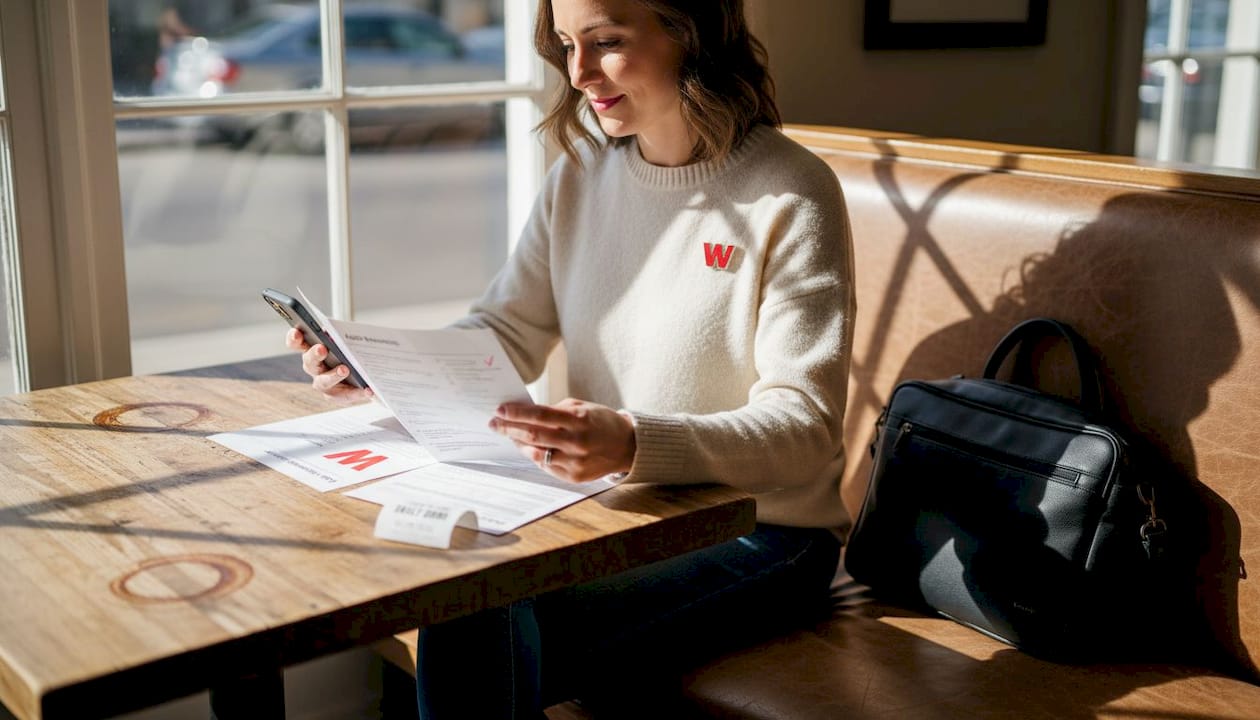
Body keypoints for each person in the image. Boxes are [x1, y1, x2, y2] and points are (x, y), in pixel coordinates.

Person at [288, 0, 855, 715]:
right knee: (465, 590)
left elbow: (805, 429)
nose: (578, 72)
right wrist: (378, 367)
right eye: (564, 44)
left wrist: (635, 442)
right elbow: (505, 328)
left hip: (768, 536)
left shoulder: (791, 192)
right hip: (617, 513)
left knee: (479, 608)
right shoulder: (581, 175)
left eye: (607, 42)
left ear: (693, 34)